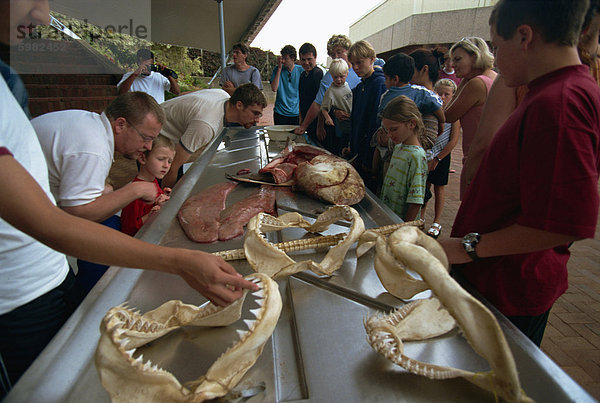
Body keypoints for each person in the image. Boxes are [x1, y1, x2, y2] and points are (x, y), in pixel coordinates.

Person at [0, 3, 258, 391]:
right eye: (146, 140)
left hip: (47, 274)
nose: (40, 16)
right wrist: (172, 253)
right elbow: (65, 219)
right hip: (20, 294)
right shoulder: (93, 148)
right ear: (121, 125)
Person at [440, 0, 600, 347]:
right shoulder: (550, 92)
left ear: (525, 36)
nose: (494, 60)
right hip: (498, 276)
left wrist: (467, 247)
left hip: (512, 286)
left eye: (497, 46)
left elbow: (563, 223)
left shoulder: (560, 102)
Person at [159, 83, 267, 188]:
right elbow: (173, 168)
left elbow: (185, 95)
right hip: (155, 134)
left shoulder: (223, 95)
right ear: (239, 105)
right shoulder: (207, 125)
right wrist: (167, 199)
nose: (257, 120)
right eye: (255, 113)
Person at [371, 52, 444, 194]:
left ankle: (374, 175)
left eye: (386, 79)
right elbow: (438, 107)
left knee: (387, 184)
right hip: (397, 149)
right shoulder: (421, 93)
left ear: (395, 79)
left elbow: (380, 121)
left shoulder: (386, 96)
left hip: (390, 150)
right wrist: (442, 122)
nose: (385, 83)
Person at [444, 36, 497, 199]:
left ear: (475, 57)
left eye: (458, 59)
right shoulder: (493, 77)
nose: (453, 65)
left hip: (478, 157)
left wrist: (463, 83)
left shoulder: (476, 83)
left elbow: (449, 115)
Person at [293, 34, 361, 150]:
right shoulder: (329, 76)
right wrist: (304, 125)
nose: (336, 57)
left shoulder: (359, 70)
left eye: (339, 52)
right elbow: (318, 103)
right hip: (341, 129)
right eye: (333, 55)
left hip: (360, 126)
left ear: (348, 51)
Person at [345, 40, 386, 192]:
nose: (355, 68)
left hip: (369, 155)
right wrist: (352, 145)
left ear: (372, 59)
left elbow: (374, 124)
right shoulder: (360, 87)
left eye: (360, 63)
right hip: (357, 151)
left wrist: (368, 158)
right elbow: (355, 121)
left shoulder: (379, 84)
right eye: (353, 63)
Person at [421, 79, 460, 239]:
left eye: (447, 94)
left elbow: (453, 140)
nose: (442, 97)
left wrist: (438, 158)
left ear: (453, 96)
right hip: (428, 154)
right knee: (424, 187)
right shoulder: (430, 112)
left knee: (439, 187)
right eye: (439, 93)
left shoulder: (453, 116)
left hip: (441, 156)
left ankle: (436, 221)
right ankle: (421, 217)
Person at [379, 96, 428, 221]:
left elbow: (416, 200)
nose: (389, 135)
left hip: (401, 224)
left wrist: (404, 228)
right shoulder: (399, 147)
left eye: (394, 129)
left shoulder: (417, 156)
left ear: (412, 123)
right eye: (387, 130)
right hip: (389, 217)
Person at [120, 135, 175, 236]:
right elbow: (127, 231)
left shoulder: (153, 181)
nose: (166, 165)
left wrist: (162, 197)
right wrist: (150, 216)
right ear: (142, 158)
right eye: (161, 159)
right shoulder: (135, 193)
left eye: (170, 161)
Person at [320, 59, 352, 156]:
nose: (338, 80)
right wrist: (328, 118)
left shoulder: (347, 85)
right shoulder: (331, 91)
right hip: (342, 126)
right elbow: (323, 108)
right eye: (335, 77)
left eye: (341, 76)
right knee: (342, 148)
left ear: (347, 74)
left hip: (351, 122)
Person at [270, 45, 303, 125]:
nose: (283, 61)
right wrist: (279, 69)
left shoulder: (301, 70)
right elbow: (274, 88)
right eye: (282, 58)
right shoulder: (277, 70)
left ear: (293, 59)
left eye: (286, 58)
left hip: (295, 113)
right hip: (280, 112)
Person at [298, 42, 324, 142]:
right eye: (303, 60)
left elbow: (321, 102)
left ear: (315, 57)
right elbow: (301, 98)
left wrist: (320, 126)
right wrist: (301, 118)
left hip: (316, 122)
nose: (306, 63)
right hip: (306, 121)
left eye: (309, 59)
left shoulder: (318, 73)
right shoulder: (303, 75)